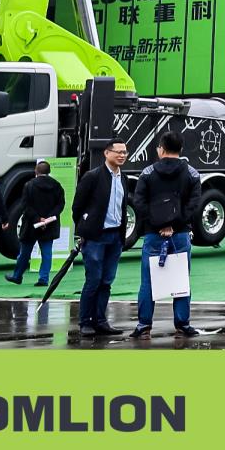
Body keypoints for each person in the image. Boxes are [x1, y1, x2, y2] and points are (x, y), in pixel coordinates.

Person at [131, 131, 202, 338]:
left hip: (154, 235)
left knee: (148, 281)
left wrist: (158, 223)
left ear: (161, 149)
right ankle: (182, 324)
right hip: (180, 234)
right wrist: (174, 224)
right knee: (181, 280)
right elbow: (194, 204)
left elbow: (139, 202)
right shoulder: (191, 173)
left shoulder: (147, 173)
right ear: (181, 149)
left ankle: (144, 325)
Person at [73, 139, 130, 336]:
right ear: (106, 153)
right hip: (96, 237)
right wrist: (85, 229)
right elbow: (77, 206)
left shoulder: (123, 178)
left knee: (107, 281)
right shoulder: (93, 176)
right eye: (118, 152)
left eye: (124, 152)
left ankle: (101, 320)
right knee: (93, 280)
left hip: (115, 237)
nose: (122, 155)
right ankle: (85, 321)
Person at [5, 160, 66, 286]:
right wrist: (48, 218)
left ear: (36, 171)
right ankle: (43, 278)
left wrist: (38, 219)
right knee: (47, 253)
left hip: (31, 225)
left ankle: (17, 275)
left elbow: (25, 205)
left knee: (24, 252)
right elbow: (60, 204)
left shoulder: (29, 185)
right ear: (49, 171)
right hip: (50, 224)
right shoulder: (56, 185)